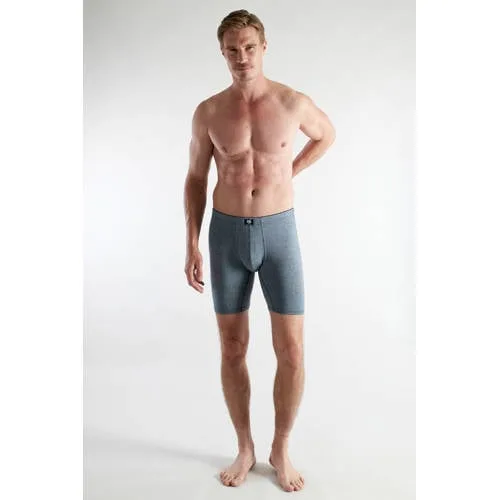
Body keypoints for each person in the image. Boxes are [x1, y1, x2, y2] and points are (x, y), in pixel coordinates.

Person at [183, 9, 335, 492]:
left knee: (291, 348)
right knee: (232, 347)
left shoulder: (292, 102)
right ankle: (245, 446)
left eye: (249, 47)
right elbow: (195, 177)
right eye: (232, 49)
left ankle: (280, 448)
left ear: (264, 48)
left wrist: (291, 170)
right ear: (222, 52)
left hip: (278, 234)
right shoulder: (209, 111)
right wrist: (191, 241)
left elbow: (327, 134)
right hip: (226, 234)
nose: (241, 57)